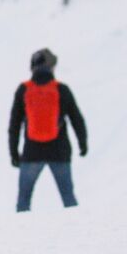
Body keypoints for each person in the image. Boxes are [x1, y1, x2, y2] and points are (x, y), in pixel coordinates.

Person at [9, 48, 87, 212]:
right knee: (68, 198)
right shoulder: (61, 89)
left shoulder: (24, 90)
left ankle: (19, 235)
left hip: (32, 153)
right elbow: (76, 119)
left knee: (23, 200)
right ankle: (79, 233)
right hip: (59, 151)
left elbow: (14, 125)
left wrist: (14, 153)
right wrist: (82, 143)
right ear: (51, 67)